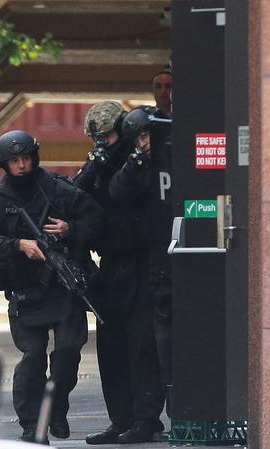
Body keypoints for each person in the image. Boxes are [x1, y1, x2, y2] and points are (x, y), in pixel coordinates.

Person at [0, 130, 103, 444]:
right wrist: (19, 245)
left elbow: (97, 220)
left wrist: (70, 229)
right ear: (5, 165)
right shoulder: (0, 198)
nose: (22, 166)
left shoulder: (57, 189)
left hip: (62, 287)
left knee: (68, 353)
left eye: (26, 158)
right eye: (15, 161)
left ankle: (56, 406)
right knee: (32, 357)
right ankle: (32, 424)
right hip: (25, 291)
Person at [75, 101, 165, 445]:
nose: (104, 142)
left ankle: (145, 418)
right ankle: (120, 419)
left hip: (142, 259)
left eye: (110, 135)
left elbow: (130, 194)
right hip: (111, 260)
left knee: (142, 344)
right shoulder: (99, 162)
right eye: (98, 138)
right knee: (111, 346)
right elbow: (77, 193)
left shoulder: (141, 161)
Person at [110, 106, 174, 396]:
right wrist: (133, 164)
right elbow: (117, 192)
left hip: (181, 252)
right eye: (138, 139)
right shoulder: (136, 166)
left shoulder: (176, 156)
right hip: (154, 258)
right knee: (155, 338)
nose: (144, 143)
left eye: (147, 136)